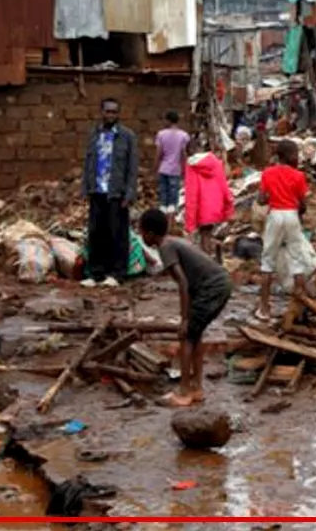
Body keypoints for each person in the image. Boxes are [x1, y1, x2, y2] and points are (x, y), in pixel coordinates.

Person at [138, 209, 232, 407]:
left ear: (150, 233)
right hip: (220, 283)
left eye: (142, 232)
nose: (141, 237)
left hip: (213, 287)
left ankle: (184, 391)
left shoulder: (165, 247)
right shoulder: (172, 241)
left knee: (187, 336)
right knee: (195, 335)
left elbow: (183, 283)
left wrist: (184, 319)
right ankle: (196, 387)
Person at [256, 139, 316, 322]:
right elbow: (303, 203)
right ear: (291, 155)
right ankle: (299, 307)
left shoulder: (268, 173)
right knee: (297, 261)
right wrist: (299, 211)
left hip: (275, 215)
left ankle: (264, 308)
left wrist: (269, 198)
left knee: (267, 262)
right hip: (291, 215)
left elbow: (261, 199)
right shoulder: (298, 176)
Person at [81, 98, 138, 288]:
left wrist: (129, 194)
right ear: (102, 112)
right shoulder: (94, 135)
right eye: (108, 111)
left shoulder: (127, 136)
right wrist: (86, 188)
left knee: (118, 234)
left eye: (114, 112)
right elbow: (88, 163)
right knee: (96, 233)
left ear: (118, 114)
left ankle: (117, 273)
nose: (111, 115)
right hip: (97, 191)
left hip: (117, 193)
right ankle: (96, 273)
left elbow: (132, 168)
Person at [184, 136, 235, 258]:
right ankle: (212, 257)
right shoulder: (216, 162)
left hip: (202, 207)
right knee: (208, 233)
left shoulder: (191, 166)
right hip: (216, 206)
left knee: (204, 235)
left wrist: (189, 223)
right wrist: (228, 208)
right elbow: (224, 186)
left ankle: (207, 261)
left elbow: (192, 193)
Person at [155, 111, 190, 214]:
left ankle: (163, 214)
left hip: (163, 168)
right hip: (175, 170)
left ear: (168, 120)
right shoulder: (184, 135)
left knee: (163, 194)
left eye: (165, 120)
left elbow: (159, 153)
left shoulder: (161, 134)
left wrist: (155, 167)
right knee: (173, 197)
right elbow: (183, 154)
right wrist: (185, 168)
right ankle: (172, 217)